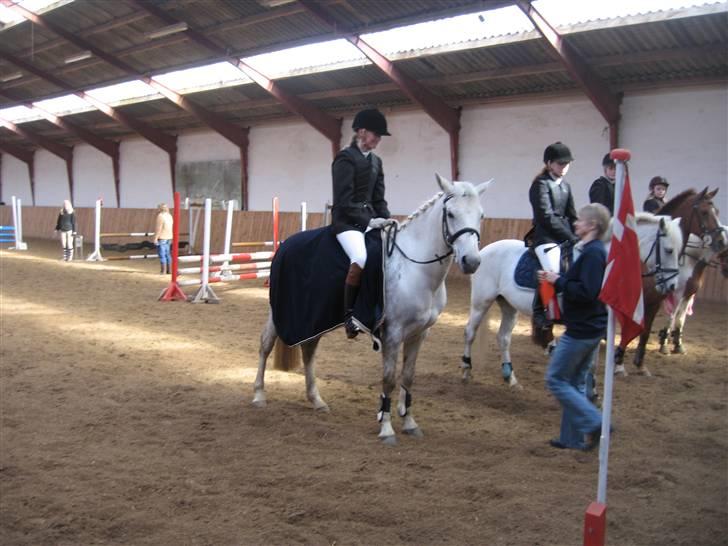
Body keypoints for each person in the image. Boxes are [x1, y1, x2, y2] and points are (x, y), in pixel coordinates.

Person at [538, 203, 610, 450]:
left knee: (556, 379)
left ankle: (595, 421)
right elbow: (581, 284)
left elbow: (587, 292)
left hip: (581, 330)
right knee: (576, 382)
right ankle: (571, 439)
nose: (576, 223)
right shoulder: (593, 251)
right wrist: (556, 280)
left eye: (580, 220)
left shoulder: (592, 254)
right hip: (590, 328)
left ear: (592, 226)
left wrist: (558, 281)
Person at [331, 108, 391, 339]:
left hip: (371, 221)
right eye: (375, 135)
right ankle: (349, 317)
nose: (377, 140)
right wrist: (369, 220)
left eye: (379, 136)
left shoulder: (376, 162)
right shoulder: (345, 158)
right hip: (346, 222)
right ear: (361, 132)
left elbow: (379, 198)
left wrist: (385, 218)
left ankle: (379, 310)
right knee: (361, 257)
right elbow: (344, 200)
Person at [528, 141, 579, 336]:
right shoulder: (540, 185)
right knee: (552, 267)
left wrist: (581, 235)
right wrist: (570, 237)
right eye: (560, 163)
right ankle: (540, 311)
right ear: (549, 163)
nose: (564, 167)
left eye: (567, 164)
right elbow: (546, 216)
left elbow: (572, 215)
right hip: (546, 237)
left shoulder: (565, 186)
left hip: (565, 236)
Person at [153, 203, 173, 274]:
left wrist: (155, 238)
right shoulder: (170, 216)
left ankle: (163, 271)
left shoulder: (160, 216)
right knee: (168, 254)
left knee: (162, 255)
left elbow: (159, 228)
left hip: (162, 237)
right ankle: (169, 270)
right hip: (169, 237)